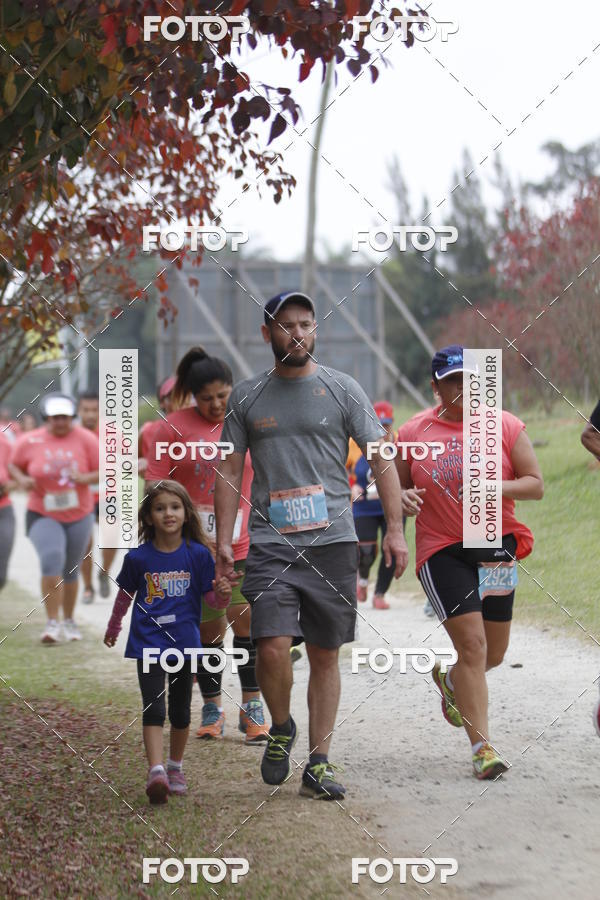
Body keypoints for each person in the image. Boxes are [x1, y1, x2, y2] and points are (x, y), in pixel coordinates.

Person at [215, 291, 409, 799]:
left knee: (325, 654)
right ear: (267, 333)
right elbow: (230, 470)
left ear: (315, 330)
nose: (297, 333)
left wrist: (394, 528)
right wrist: (221, 537)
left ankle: (319, 763)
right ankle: (281, 726)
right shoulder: (246, 397)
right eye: (286, 325)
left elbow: (382, 456)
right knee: (272, 646)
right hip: (271, 542)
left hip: (334, 543)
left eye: (306, 324)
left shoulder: (342, 389)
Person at [395, 345, 544, 780]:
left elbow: (535, 485)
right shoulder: (413, 432)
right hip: (441, 547)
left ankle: (452, 684)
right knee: (473, 647)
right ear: (435, 385)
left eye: (469, 380)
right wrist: (401, 500)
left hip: (493, 542)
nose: (462, 388)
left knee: (492, 654)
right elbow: (396, 491)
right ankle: (483, 748)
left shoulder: (505, 425)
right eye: (452, 380)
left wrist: (495, 486)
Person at [145, 349, 269, 743]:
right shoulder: (171, 428)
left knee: (245, 620)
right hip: (194, 550)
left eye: (223, 395)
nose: (217, 405)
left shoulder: (247, 420)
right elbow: (155, 483)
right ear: (192, 397)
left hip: (242, 542)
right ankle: (212, 706)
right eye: (207, 398)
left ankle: (253, 708)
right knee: (209, 628)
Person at [103, 481, 231, 803]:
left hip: (185, 644)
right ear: (148, 517)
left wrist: (223, 595)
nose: (168, 514)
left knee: (181, 711)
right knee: (153, 707)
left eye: (174, 507)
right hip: (147, 641)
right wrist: (114, 625)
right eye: (159, 508)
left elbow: (212, 601)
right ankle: (156, 770)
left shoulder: (198, 555)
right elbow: (124, 595)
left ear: (186, 513)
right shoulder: (138, 558)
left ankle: (175, 766)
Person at [9, 393, 99, 643]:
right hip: (42, 512)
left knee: (71, 571)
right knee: (51, 560)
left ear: (73, 417)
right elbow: (13, 465)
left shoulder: (86, 439)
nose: (60, 422)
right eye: (55, 418)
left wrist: (86, 479)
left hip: (79, 513)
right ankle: (51, 623)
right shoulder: (30, 440)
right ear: (46, 418)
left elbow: (104, 470)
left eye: (66, 417)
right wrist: (22, 479)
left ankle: (69, 620)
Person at [348, 400, 397, 610]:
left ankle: (380, 594)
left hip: (390, 504)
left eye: (386, 424)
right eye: (379, 424)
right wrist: (351, 487)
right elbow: (341, 468)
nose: (383, 429)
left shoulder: (399, 444)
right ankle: (363, 581)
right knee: (366, 552)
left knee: (392, 550)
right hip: (364, 505)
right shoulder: (354, 444)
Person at [76, 390, 118, 603]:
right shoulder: (71, 432)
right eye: (86, 410)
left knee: (111, 538)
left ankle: (104, 572)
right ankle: (88, 587)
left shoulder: (112, 431)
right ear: (78, 410)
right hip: (81, 495)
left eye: (95, 410)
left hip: (108, 493)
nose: (90, 414)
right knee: (85, 543)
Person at [138, 376, 176, 478]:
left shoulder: (206, 431)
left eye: (185, 395)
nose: (180, 400)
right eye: (174, 396)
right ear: (163, 403)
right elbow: (136, 463)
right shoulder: (147, 431)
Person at [0, 429, 16, 591]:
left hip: (3, 510)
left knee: (0, 574)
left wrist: (10, 485)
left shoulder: (4, 442)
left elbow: (18, 474)